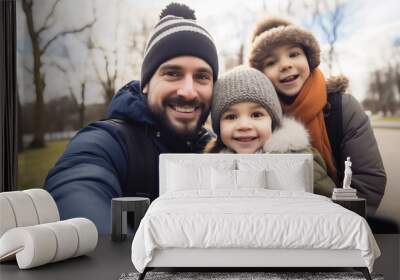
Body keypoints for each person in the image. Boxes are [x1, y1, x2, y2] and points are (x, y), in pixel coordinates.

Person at [44, 3, 219, 234]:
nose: (188, 91)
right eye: (173, 73)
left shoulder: (217, 150)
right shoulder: (108, 141)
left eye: (202, 77)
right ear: (146, 83)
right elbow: (75, 196)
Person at [247, 17, 386, 215]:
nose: (285, 65)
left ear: (309, 58)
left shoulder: (343, 108)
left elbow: (367, 181)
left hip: (338, 222)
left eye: (293, 54)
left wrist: (334, 224)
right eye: (271, 61)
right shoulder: (258, 118)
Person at [205, 65, 335, 195]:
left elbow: (329, 200)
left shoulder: (299, 159)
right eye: (231, 117)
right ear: (218, 127)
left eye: (256, 115)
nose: (244, 125)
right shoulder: (210, 165)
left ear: (272, 122)